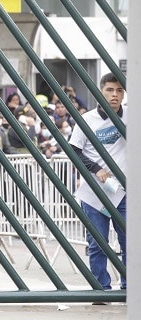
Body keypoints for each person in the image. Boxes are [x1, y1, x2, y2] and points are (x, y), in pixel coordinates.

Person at [69, 73, 126, 293]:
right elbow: (74, 151)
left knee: (129, 242)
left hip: (124, 191)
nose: (114, 95)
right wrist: (96, 168)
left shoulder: (131, 116)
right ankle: (101, 289)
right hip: (95, 191)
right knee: (98, 243)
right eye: (109, 90)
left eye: (119, 90)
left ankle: (128, 288)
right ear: (100, 92)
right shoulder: (87, 120)